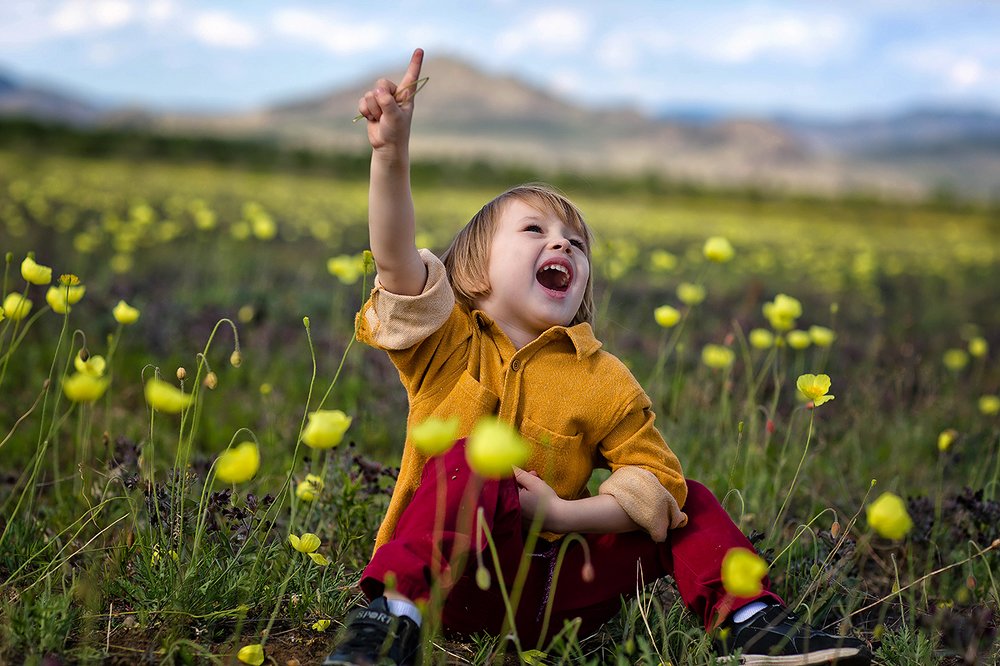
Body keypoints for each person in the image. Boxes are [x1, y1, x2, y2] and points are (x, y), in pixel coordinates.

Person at [324, 48, 871, 666]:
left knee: (688, 500)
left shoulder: (602, 376)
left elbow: (654, 484)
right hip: (453, 588)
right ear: (471, 272)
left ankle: (754, 623)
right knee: (466, 459)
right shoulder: (447, 344)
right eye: (534, 231)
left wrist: (562, 511)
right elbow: (396, 263)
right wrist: (390, 155)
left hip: (563, 594)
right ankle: (388, 623)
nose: (561, 242)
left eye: (576, 243)